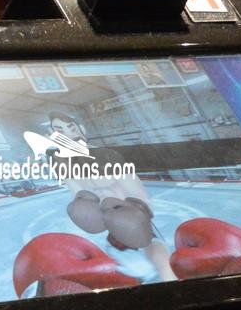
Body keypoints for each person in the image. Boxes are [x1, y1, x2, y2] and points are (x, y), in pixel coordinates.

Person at [44, 109, 177, 282]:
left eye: (72, 127)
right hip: (108, 227)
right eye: (60, 131)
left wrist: (135, 213)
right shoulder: (64, 164)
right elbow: (77, 194)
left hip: (131, 218)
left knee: (156, 255)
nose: (70, 134)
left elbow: (138, 194)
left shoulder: (108, 155)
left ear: (82, 129)